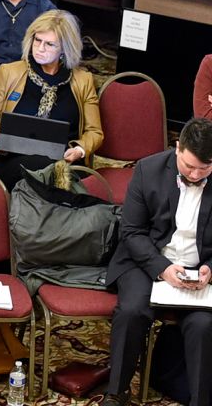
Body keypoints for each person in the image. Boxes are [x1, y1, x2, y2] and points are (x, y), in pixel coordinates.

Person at [99, 117, 212, 406]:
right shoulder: (148, 169)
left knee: (203, 325)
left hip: (199, 271)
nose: (197, 175)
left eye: (205, 168)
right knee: (133, 310)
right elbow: (131, 232)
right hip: (146, 261)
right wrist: (162, 268)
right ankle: (117, 392)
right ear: (177, 148)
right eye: (189, 167)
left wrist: (209, 268)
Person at [0, 10, 103, 190]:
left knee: (55, 173)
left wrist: (79, 150)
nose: (40, 48)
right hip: (11, 159)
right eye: (37, 40)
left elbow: (94, 132)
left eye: (49, 44)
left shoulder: (83, 81)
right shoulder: (9, 72)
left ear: (65, 48)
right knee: (53, 177)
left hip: (63, 161)